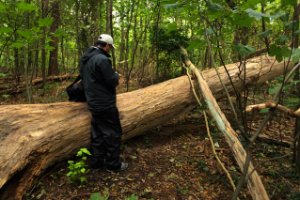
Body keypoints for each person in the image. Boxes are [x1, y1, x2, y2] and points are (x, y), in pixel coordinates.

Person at [80, 34, 128, 171]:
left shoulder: (87, 58)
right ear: (106, 45)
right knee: (113, 133)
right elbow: (111, 81)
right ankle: (113, 165)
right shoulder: (101, 59)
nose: (110, 50)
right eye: (110, 47)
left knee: (98, 133)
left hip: (93, 102)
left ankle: (97, 162)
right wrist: (116, 76)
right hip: (105, 103)